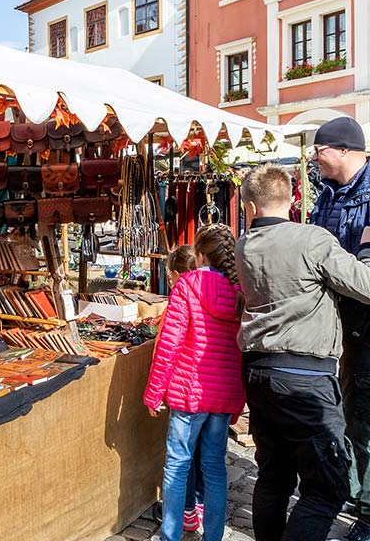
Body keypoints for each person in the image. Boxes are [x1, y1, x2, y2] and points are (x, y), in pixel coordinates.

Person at [235, 164, 370, 541]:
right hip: (304, 378)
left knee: (274, 476)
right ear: (291, 201)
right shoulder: (310, 239)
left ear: (250, 209)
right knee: (327, 487)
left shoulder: (244, 244)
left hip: (258, 372)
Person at [309, 117, 370, 541]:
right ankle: (355, 492)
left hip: (368, 328)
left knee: (366, 423)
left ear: (342, 150)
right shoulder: (328, 193)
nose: (314, 157)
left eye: (318, 149)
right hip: (335, 325)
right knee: (344, 417)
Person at [144, 226, 244, 541]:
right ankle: (212, 535)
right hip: (223, 393)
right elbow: (244, 348)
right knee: (214, 467)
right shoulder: (239, 291)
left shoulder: (188, 285)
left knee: (177, 465)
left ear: (199, 254)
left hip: (190, 392)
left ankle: (170, 535)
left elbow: (169, 344)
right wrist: (238, 400)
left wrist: (153, 393)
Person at [152, 245, 205, 532]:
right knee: (204, 455)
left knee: (180, 457)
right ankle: (199, 506)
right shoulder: (215, 292)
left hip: (185, 388)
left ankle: (182, 516)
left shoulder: (181, 298)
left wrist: (154, 394)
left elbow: (167, 348)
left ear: (174, 274)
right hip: (209, 390)